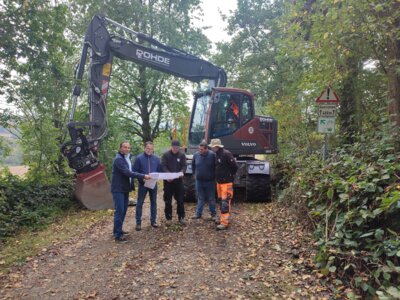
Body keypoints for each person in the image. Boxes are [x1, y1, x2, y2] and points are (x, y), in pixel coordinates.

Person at [111, 141, 150, 243]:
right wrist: (143, 176)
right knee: (119, 211)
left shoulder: (126, 158)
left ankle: (118, 230)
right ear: (120, 148)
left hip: (124, 189)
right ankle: (117, 236)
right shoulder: (118, 160)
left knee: (123, 210)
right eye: (125, 147)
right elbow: (128, 173)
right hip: (118, 189)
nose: (127, 149)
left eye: (128, 148)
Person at [209, 138, 238, 230]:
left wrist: (229, 176)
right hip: (219, 183)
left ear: (216, 146)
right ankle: (223, 218)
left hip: (226, 183)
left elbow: (235, 167)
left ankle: (224, 223)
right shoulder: (217, 154)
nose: (212, 148)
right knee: (221, 201)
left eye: (212, 147)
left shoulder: (226, 154)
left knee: (225, 203)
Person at [133, 141, 161, 231]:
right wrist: (142, 179)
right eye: (148, 148)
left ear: (153, 149)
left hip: (153, 184)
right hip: (142, 184)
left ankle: (153, 221)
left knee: (154, 202)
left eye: (151, 149)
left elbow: (159, 170)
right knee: (140, 203)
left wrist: (156, 177)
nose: (149, 150)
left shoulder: (157, 159)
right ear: (144, 148)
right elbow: (134, 171)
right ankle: (138, 223)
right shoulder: (139, 158)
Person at [161, 140, 187, 226]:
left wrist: (182, 172)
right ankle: (168, 218)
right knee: (168, 200)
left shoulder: (182, 155)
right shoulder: (166, 155)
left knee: (180, 200)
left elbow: (184, 166)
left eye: (177, 148)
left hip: (178, 181)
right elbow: (163, 166)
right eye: (174, 147)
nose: (175, 149)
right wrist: (168, 174)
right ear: (171, 147)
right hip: (168, 181)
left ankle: (181, 217)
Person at [191, 141, 217, 221]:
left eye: (201, 149)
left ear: (206, 149)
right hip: (199, 181)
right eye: (199, 149)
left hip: (210, 181)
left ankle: (213, 215)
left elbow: (217, 166)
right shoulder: (196, 155)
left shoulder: (212, 155)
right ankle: (198, 213)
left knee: (211, 198)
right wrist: (194, 174)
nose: (200, 151)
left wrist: (215, 177)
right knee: (200, 198)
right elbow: (193, 165)